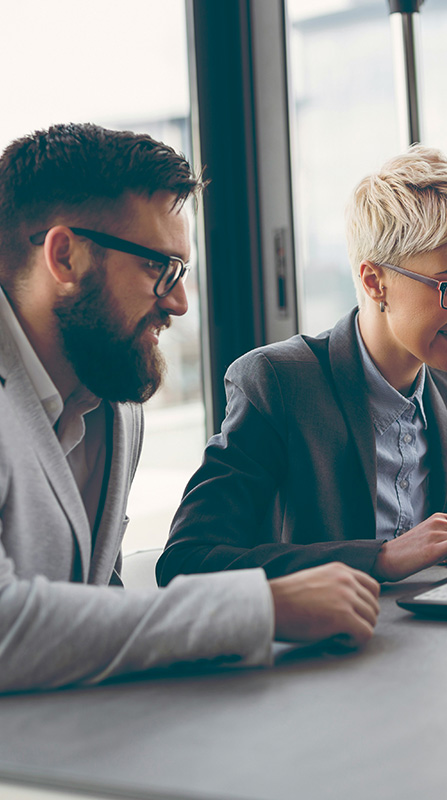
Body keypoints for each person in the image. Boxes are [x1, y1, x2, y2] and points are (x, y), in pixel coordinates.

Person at [0, 123, 379, 694]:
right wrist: (259, 608)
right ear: (65, 256)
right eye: (160, 268)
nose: (178, 302)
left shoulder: (114, 405)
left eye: (183, 273)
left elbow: (98, 598)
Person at [157, 145, 447, 587]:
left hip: (442, 636)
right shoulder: (278, 384)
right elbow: (189, 559)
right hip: (329, 645)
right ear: (376, 282)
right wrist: (382, 558)